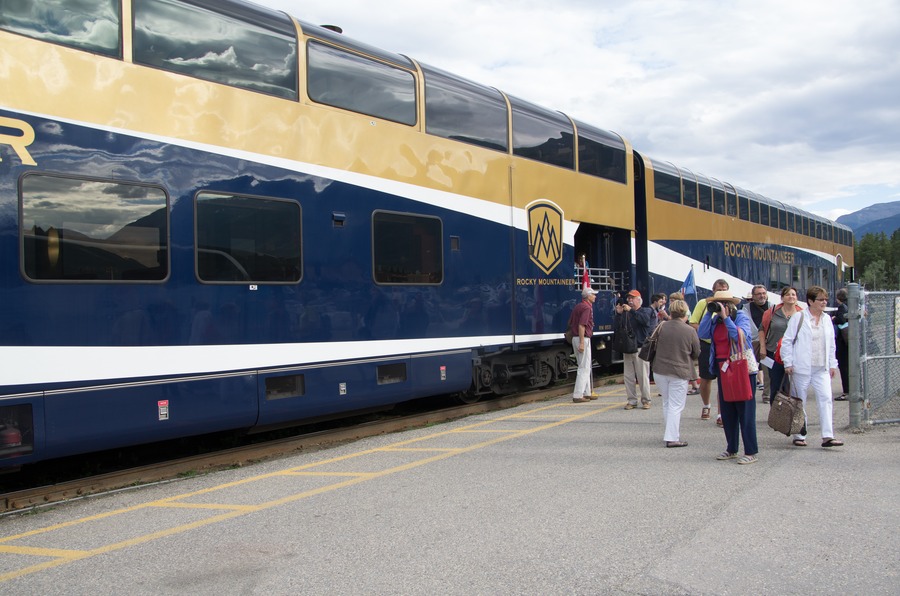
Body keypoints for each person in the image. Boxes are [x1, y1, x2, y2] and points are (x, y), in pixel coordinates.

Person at [698, 291, 759, 465]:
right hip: (722, 368)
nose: (720, 306)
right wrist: (709, 312)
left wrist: (726, 318)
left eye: (723, 302)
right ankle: (732, 448)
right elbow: (702, 333)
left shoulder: (740, 316)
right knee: (727, 411)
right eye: (717, 303)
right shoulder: (715, 320)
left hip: (741, 369)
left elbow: (741, 336)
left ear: (731, 304)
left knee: (745, 411)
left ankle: (751, 451)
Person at [781, 286, 844, 448]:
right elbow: (787, 341)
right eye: (820, 300)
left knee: (825, 398)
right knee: (799, 401)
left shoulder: (827, 319)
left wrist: (832, 364)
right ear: (810, 301)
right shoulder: (799, 317)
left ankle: (827, 436)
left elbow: (831, 344)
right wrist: (788, 362)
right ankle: (799, 434)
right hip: (801, 367)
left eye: (825, 299)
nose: (824, 302)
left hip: (820, 367)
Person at [651, 300, 700, 447]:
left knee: (667, 403)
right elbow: (696, 352)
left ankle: (669, 433)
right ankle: (672, 438)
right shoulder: (689, 330)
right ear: (685, 313)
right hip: (679, 371)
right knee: (676, 406)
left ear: (671, 312)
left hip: (659, 370)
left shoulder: (662, 326)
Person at [690, 278, 730, 423]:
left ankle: (721, 413)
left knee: (723, 380)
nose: (722, 293)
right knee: (706, 378)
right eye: (719, 290)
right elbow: (693, 322)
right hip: (706, 345)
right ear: (714, 291)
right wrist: (707, 331)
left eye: (725, 290)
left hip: (724, 346)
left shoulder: (732, 306)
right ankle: (706, 405)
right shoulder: (704, 303)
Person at [759, 286, 804, 403]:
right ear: (782, 298)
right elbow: (762, 329)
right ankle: (776, 414)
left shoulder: (802, 314)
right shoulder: (772, 312)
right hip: (773, 353)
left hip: (796, 353)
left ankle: (791, 411)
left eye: (793, 294)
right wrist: (763, 348)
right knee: (776, 384)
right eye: (788, 294)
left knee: (794, 385)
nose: (791, 297)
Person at [616, 289, 657, 409]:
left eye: (632, 298)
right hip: (628, 347)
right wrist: (619, 314)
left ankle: (646, 400)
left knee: (642, 375)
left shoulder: (646, 311)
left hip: (640, 347)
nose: (630, 301)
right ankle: (632, 400)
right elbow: (618, 327)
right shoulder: (626, 313)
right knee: (628, 376)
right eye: (628, 298)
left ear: (638, 300)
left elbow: (644, 321)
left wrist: (632, 311)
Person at [567, 287, 598, 403]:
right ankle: (578, 394)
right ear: (588, 296)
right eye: (593, 295)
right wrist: (581, 342)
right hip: (583, 338)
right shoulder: (587, 308)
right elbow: (581, 325)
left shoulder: (578, 306)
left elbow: (571, 322)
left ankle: (587, 392)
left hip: (575, 338)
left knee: (584, 365)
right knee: (584, 367)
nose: (595, 296)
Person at [670, 291, 700, 395]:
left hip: (685, 337)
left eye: (673, 300)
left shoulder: (685, 311)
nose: (670, 302)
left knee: (688, 362)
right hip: (678, 336)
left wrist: (667, 317)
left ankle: (695, 385)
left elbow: (680, 322)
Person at [745, 285, 771, 402]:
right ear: (753, 296)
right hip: (752, 343)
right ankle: (747, 394)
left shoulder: (772, 307)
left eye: (764, 293)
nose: (762, 296)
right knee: (748, 369)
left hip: (767, 342)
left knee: (767, 370)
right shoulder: (745, 309)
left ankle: (767, 395)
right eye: (759, 294)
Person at [832, 287, 850, 400]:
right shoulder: (851, 305)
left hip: (843, 342)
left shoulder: (842, 307)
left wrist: (834, 319)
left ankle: (847, 391)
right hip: (848, 341)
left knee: (844, 366)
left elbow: (842, 320)